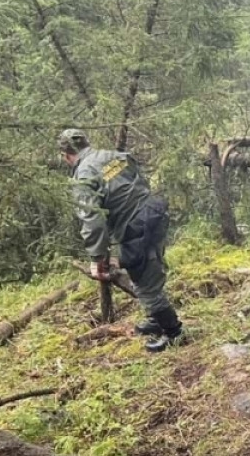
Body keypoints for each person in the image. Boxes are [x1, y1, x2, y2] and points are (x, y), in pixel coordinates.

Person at [58, 129, 183, 352]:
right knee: (148, 269)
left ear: (66, 155)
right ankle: (156, 319)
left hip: (135, 226)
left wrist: (97, 258)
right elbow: (137, 177)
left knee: (145, 283)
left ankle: (173, 332)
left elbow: (93, 221)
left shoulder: (83, 176)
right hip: (153, 211)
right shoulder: (114, 155)